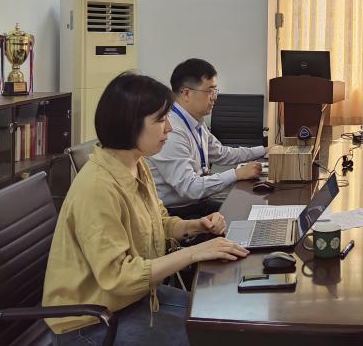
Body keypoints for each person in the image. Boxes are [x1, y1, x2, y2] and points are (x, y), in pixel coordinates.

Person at [43, 72, 249, 345]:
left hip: (133, 300)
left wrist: (194, 226)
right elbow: (119, 277)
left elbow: (158, 221)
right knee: (208, 336)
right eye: (161, 120)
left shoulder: (137, 164)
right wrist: (193, 253)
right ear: (130, 125)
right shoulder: (97, 188)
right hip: (90, 322)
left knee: (222, 318)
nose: (169, 128)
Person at [147, 58, 266, 218]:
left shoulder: (196, 122)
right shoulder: (172, 131)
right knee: (242, 218)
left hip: (199, 203)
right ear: (186, 93)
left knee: (250, 212)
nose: (214, 97)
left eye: (215, 90)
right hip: (177, 214)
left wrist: (264, 150)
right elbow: (190, 188)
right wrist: (237, 174)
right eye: (210, 91)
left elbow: (222, 154)